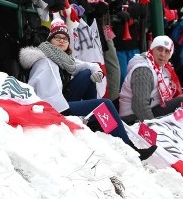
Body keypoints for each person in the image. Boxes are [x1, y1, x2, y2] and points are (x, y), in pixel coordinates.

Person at [19, 20, 155, 160]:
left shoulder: (62, 59)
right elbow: (45, 96)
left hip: (61, 101)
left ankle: (96, 122)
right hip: (54, 108)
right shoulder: (45, 62)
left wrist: (98, 73)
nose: (61, 41)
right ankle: (131, 149)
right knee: (105, 104)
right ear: (50, 41)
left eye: (65, 38)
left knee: (86, 75)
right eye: (57, 37)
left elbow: (86, 65)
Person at [119, 36, 183, 127]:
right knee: (181, 102)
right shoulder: (144, 70)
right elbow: (139, 106)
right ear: (152, 49)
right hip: (132, 118)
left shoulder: (163, 68)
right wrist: (155, 128)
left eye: (167, 51)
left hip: (151, 109)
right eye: (159, 49)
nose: (163, 54)